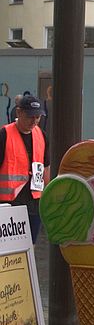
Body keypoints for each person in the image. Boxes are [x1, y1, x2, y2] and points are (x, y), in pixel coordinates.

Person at [0, 95, 49, 242]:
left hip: (34, 201)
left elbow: (45, 167)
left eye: (38, 117)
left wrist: (49, 195)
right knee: (8, 245)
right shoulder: (4, 135)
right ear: (19, 112)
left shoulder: (41, 135)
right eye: (30, 116)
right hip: (9, 202)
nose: (34, 121)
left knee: (29, 244)